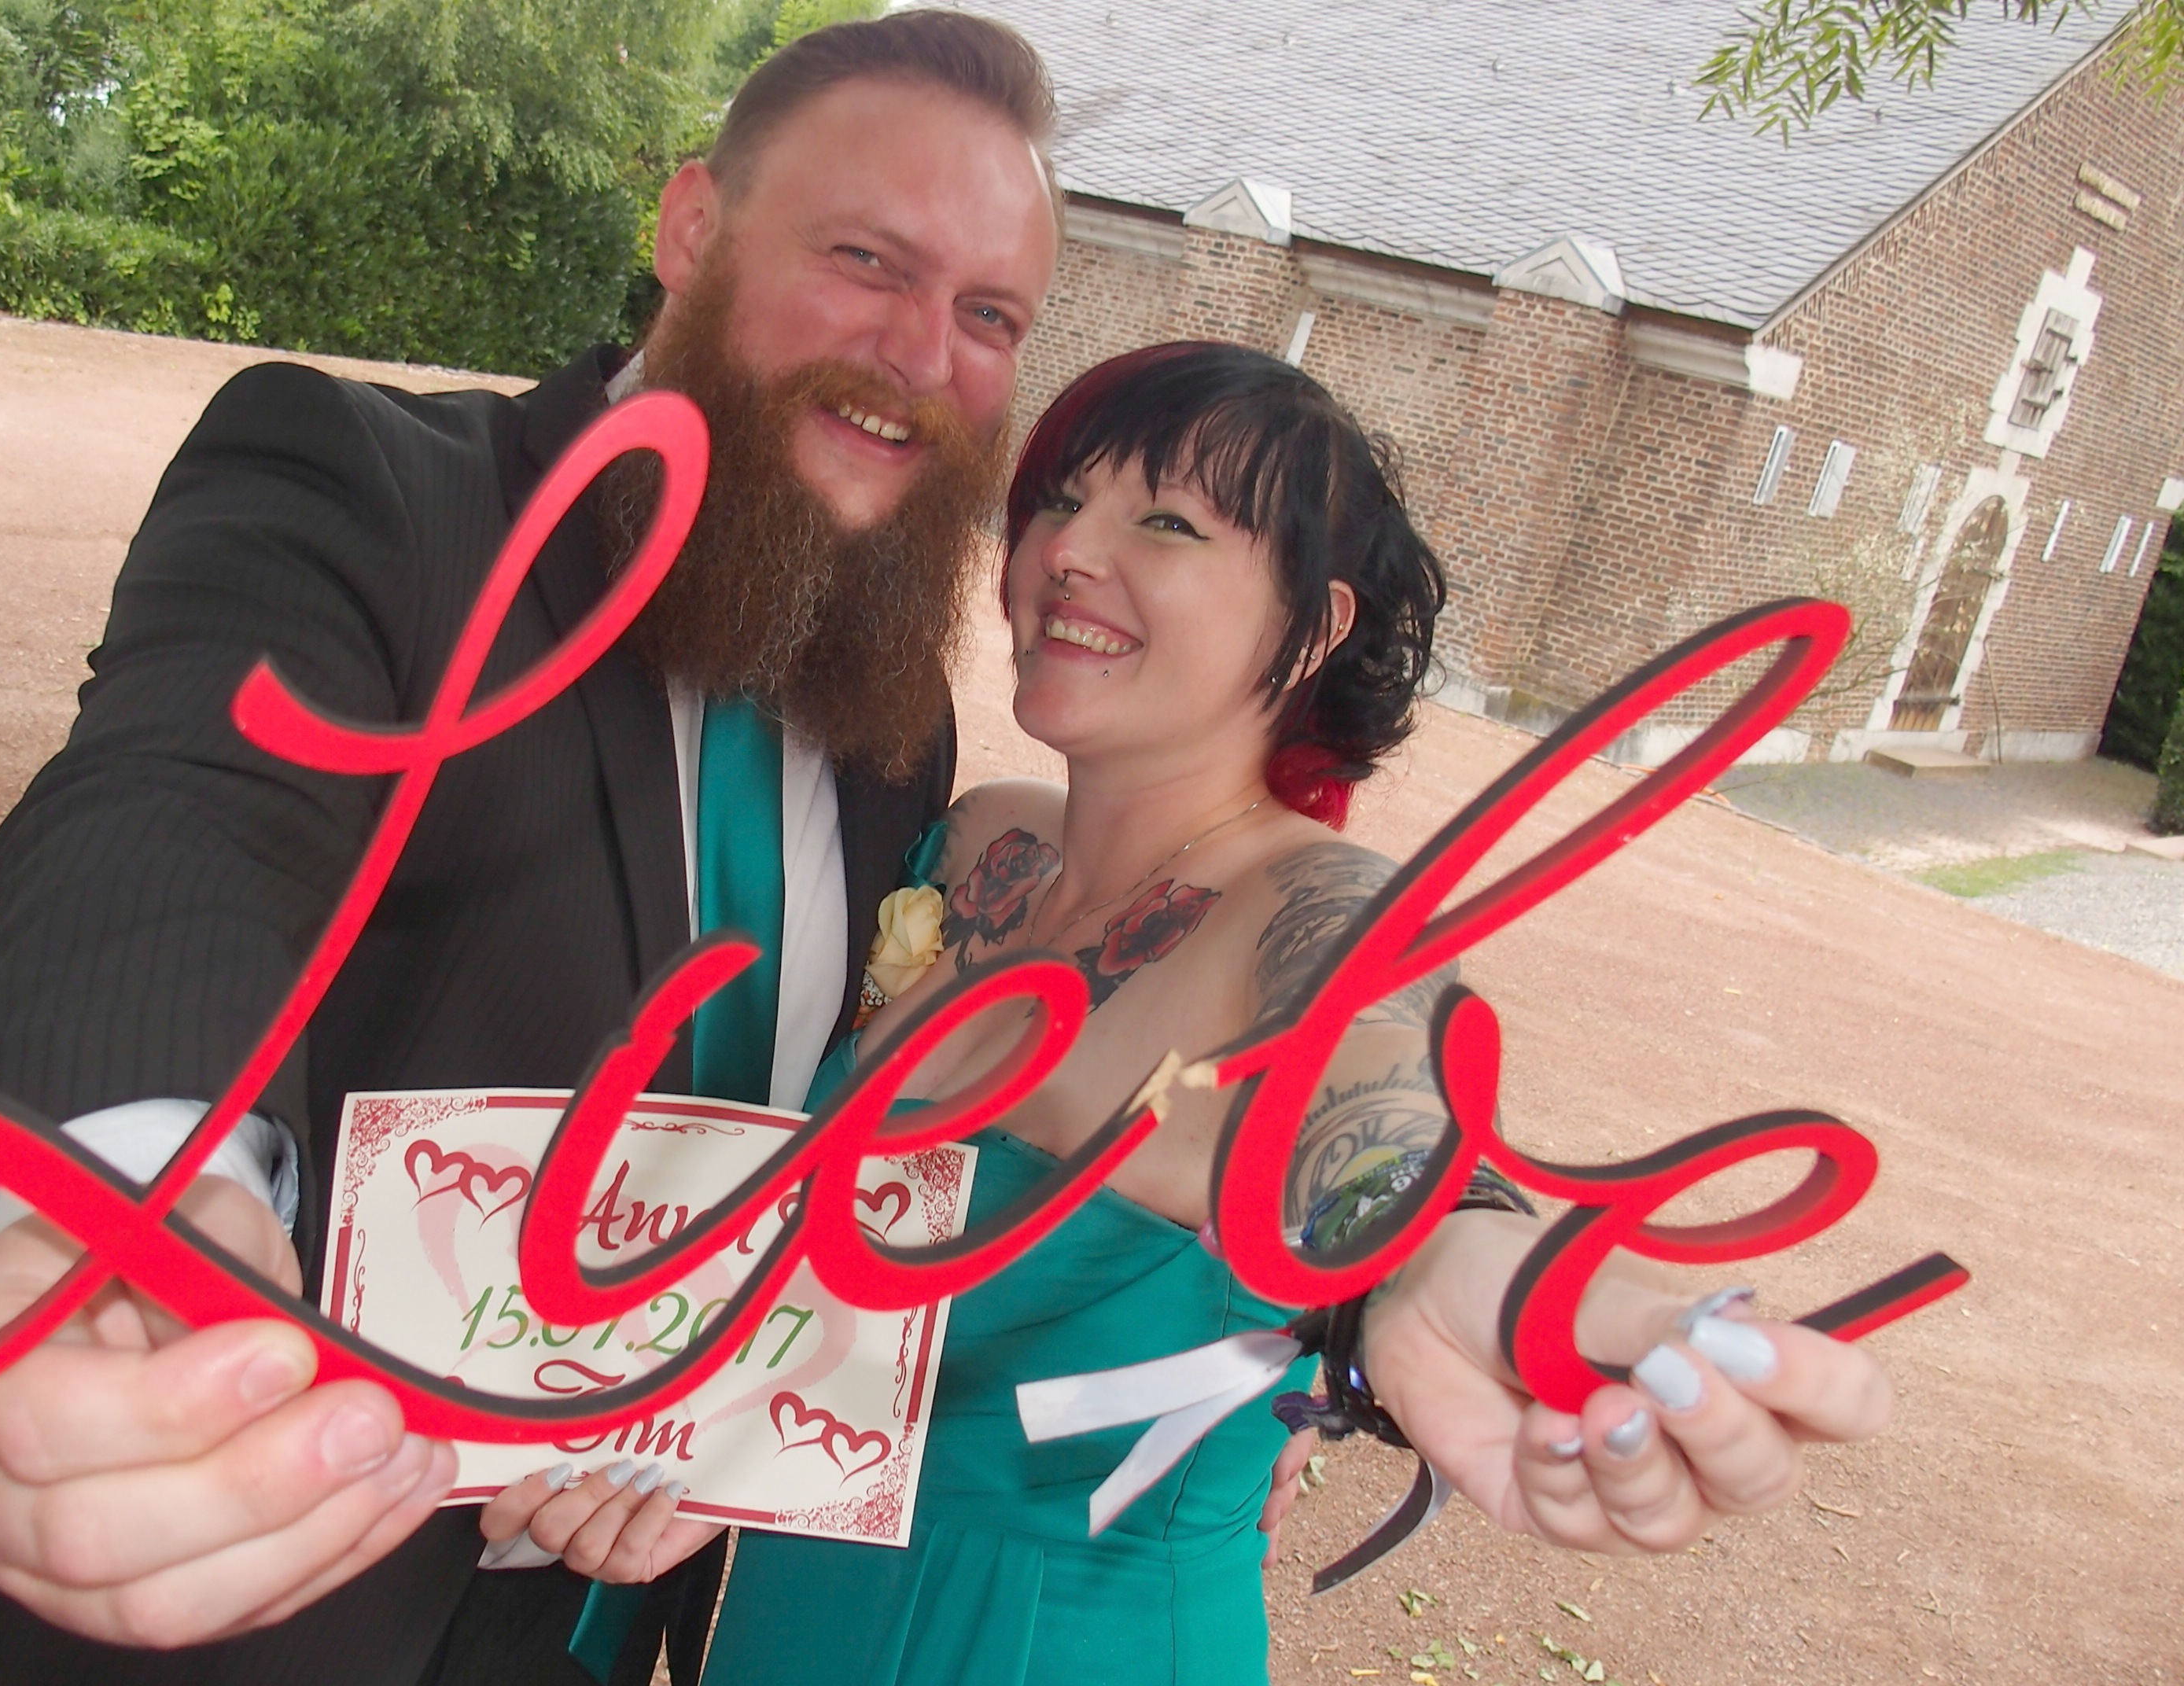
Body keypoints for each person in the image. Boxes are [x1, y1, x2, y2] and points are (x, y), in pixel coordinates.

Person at [0, 13, 1063, 1684]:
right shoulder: (367, 492)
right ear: (693, 230)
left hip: (591, 1627)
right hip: (256, 1613)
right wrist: (134, 1208)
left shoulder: (896, 727)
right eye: (867, 260)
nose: (923, 352)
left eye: (991, 315)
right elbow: (175, 816)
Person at [636, 342, 1896, 1683]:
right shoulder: (974, 842)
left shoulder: (1323, 910)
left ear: (1319, 623)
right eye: (1060, 500)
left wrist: (1449, 1256)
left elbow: (1389, 1111)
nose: (1069, 552)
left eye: (1168, 524)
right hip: (791, 1614)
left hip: (1063, 1645)